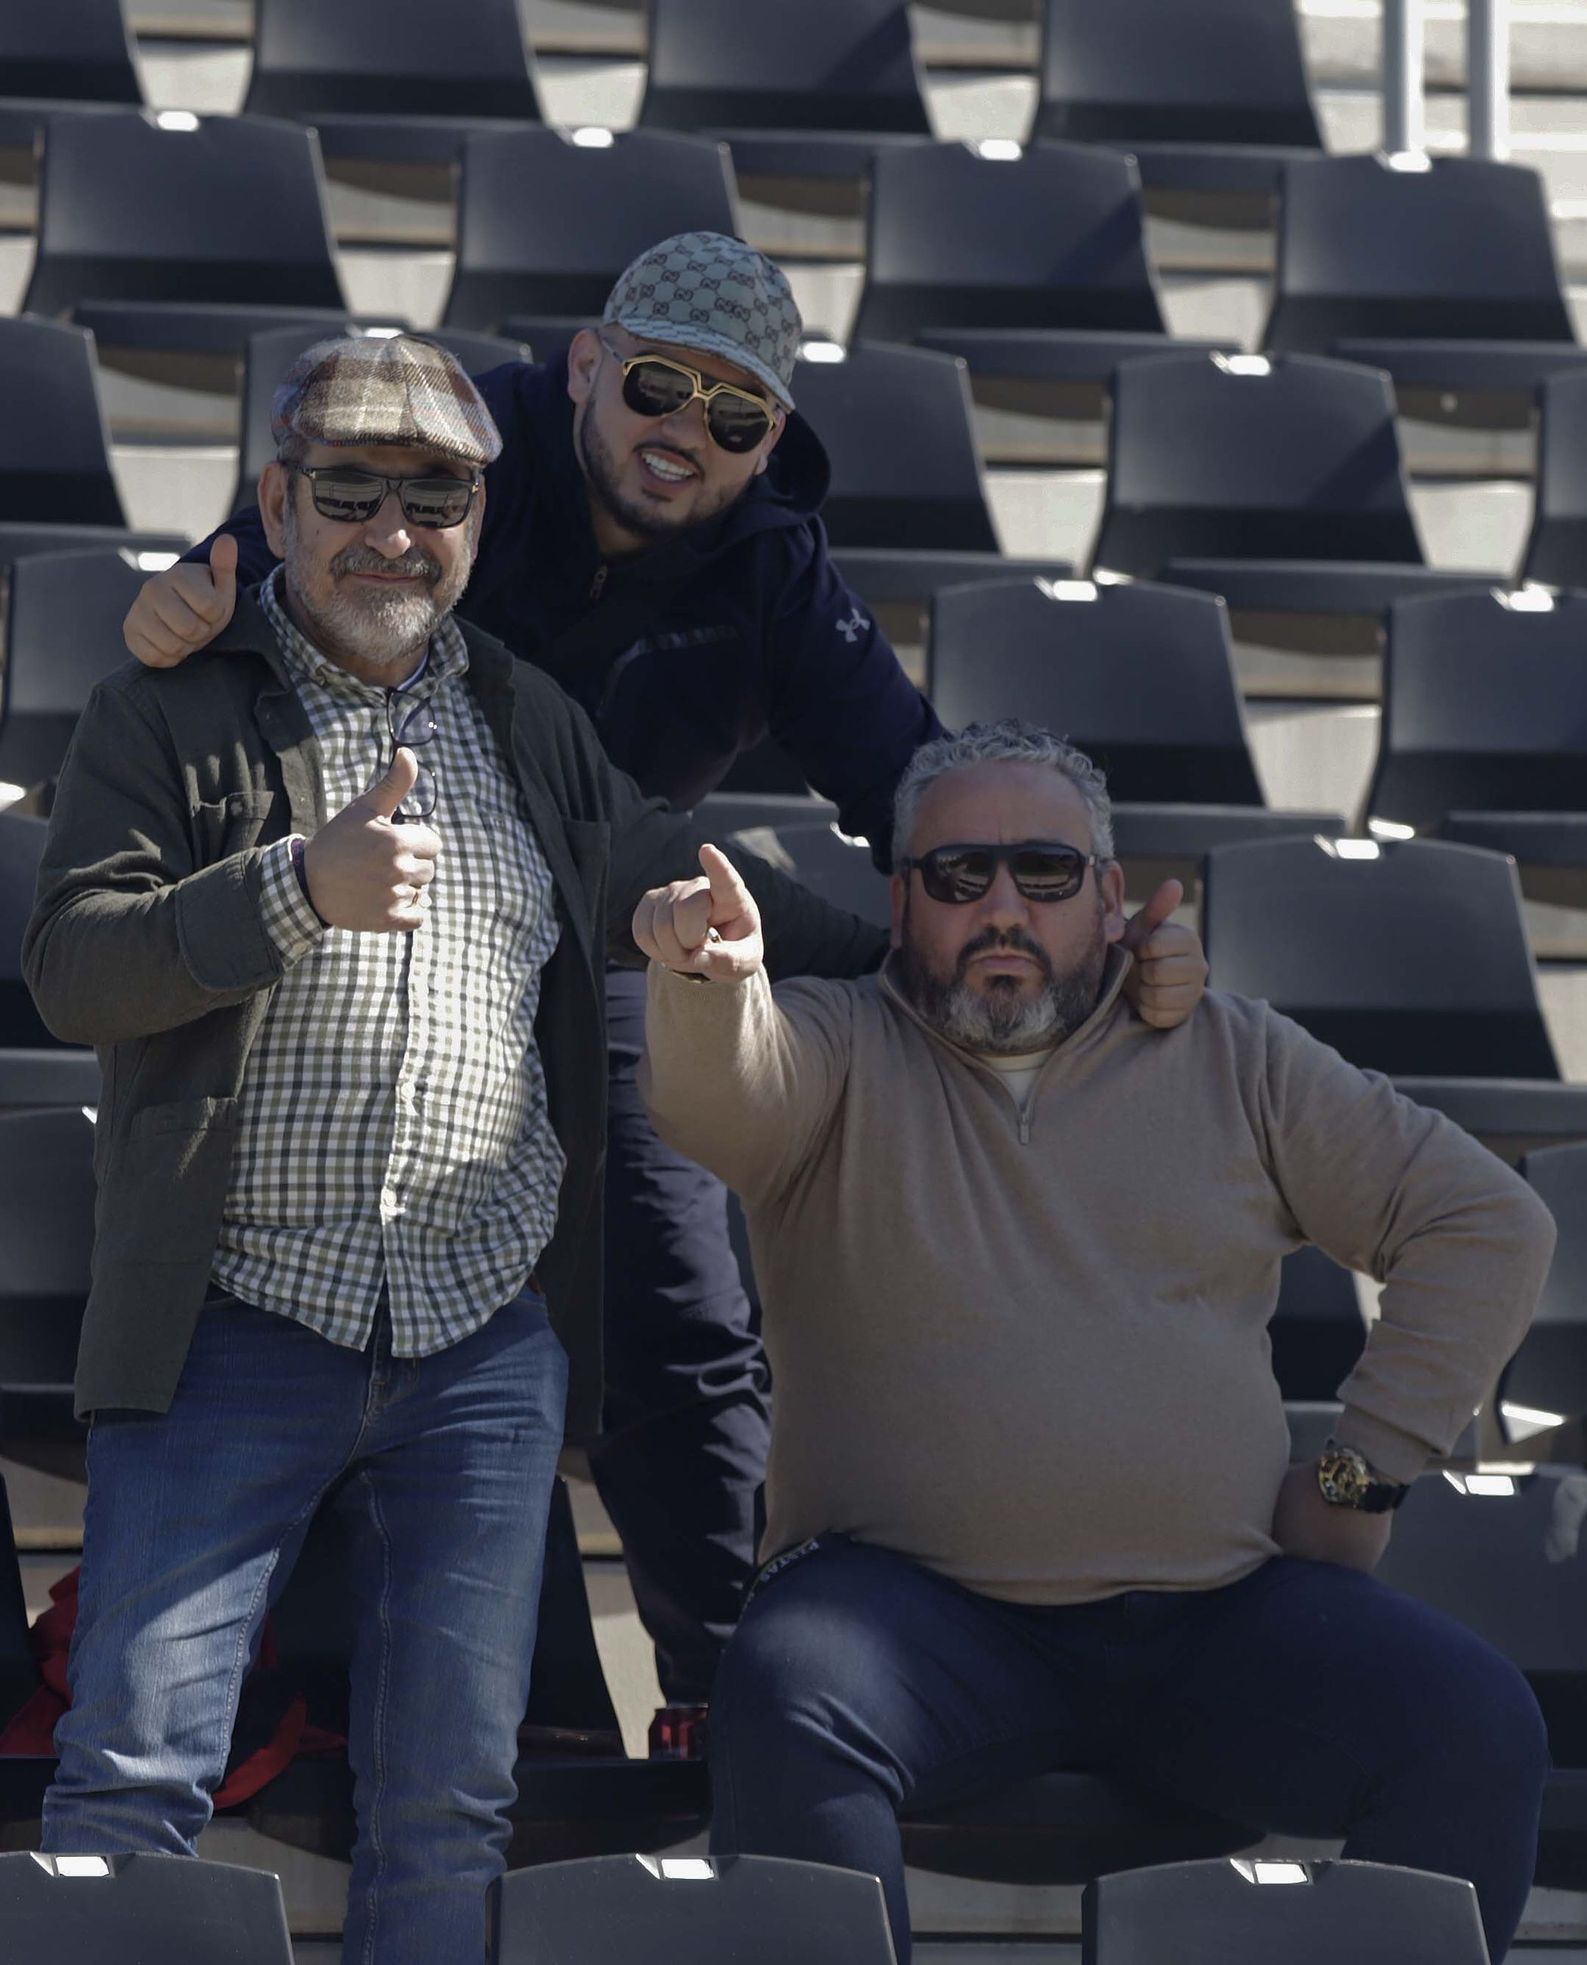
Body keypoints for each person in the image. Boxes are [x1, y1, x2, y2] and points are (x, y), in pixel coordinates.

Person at [117, 234, 1207, 1712]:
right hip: (360, 921)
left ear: (769, 442)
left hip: (613, 939)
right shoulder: (456, 452)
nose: (686, 432)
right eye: (655, 388)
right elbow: (249, 579)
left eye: (734, 415)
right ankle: (323, 1693)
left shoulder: (772, 567)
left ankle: (728, 1693)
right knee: (331, 1304)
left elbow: (915, 786)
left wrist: (1075, 927)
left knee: (678, 1313)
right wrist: (179, 609)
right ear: (585, 366)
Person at [22, 333, 892, 1965]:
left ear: (481, 523)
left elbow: (656, 858)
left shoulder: (527, 718)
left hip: (478, 1351)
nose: (392, 532)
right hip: (230, 1322)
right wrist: (295, 889)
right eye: (351, 490)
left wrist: (879, 946)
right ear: (279, 501)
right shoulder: (167, 709)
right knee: (134, 1773)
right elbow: (74, 967)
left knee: (447, 1812)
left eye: (434, 500)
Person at [633, 720, 1558, 1965]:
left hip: (1213, 1617)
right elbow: (721, 1096)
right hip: (912, 1621)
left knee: (1475, 1725)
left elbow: (1485, 1223)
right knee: (785, 1693)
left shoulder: (1232, 1053)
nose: (1001, 907)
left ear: (1110, 898)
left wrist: (1361, 1472)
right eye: (958, 875)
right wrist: (709, 985)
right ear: (901, 902)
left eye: (1044, 872)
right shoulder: (836, 1045)